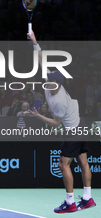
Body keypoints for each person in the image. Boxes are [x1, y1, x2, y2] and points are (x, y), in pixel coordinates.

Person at [27, 31, 96, 213]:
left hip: (73, 131)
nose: (49, 83)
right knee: (83, 162)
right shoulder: (50, 80)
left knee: (63, 164)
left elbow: (56, 123)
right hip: (80, 125)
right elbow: (41, 59)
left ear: (58, 85)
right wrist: (35, 41)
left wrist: (37, 115)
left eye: (52, 82)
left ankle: (70, 202)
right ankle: (88, 199)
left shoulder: (59, 102)